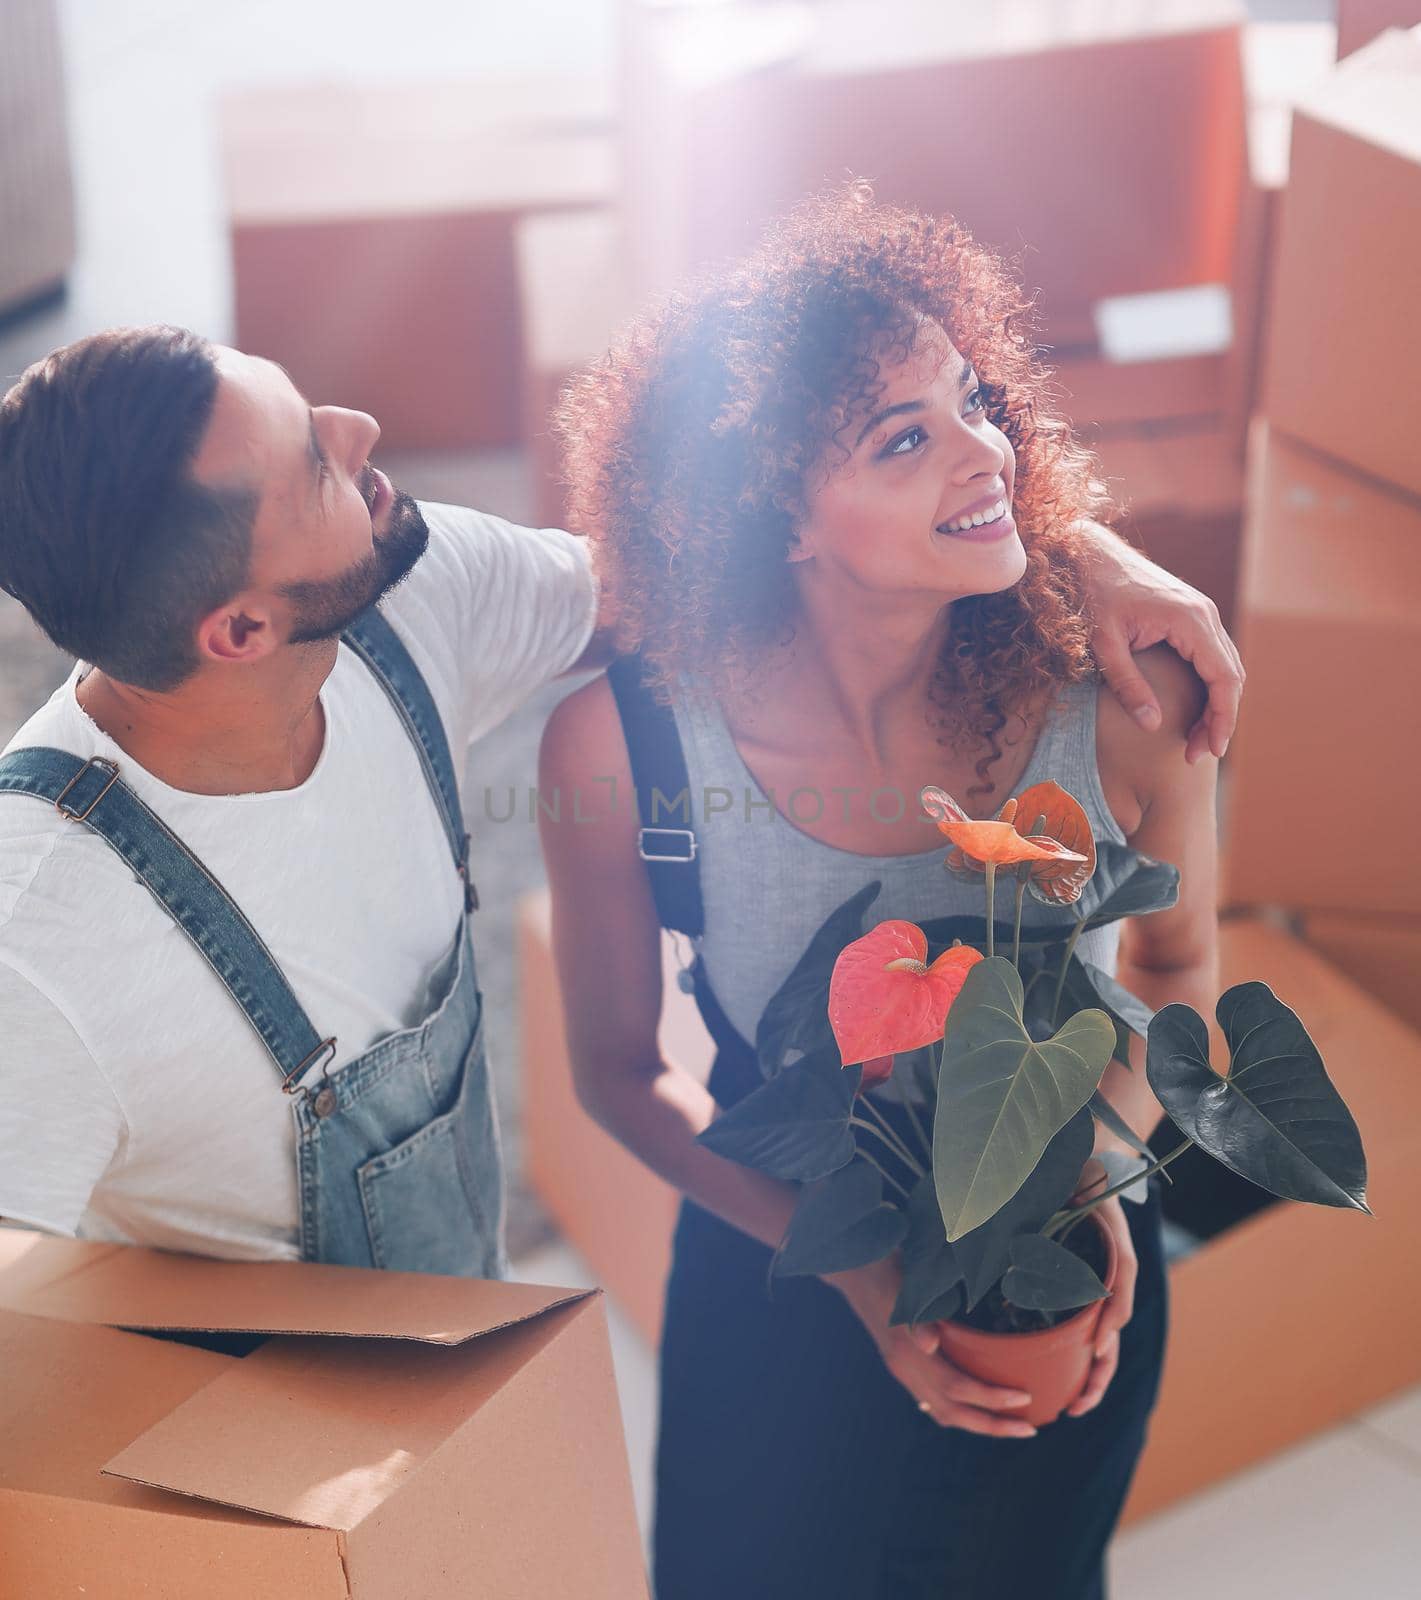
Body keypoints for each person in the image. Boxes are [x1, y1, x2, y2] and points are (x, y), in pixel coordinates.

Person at [0, 321, 1230, 1278]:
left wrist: (1075, 549)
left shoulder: (415, 599)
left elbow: (733, 557)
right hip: (238, 1439)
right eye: (316, 464)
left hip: (453, 1346)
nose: (362, 424)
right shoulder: (40, 958)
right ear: (241, 628)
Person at [538, 190, 1221, 1597]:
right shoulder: (627, 742)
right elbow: (613, 1071)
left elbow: (1174, 975)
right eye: (902, 438)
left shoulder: (1128, 709)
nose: (986, 452)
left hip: (1058, 1259)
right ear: (773, 517)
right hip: (778, 1258)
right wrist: (851, 1267)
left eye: (973, 400)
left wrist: (1090, 1174)